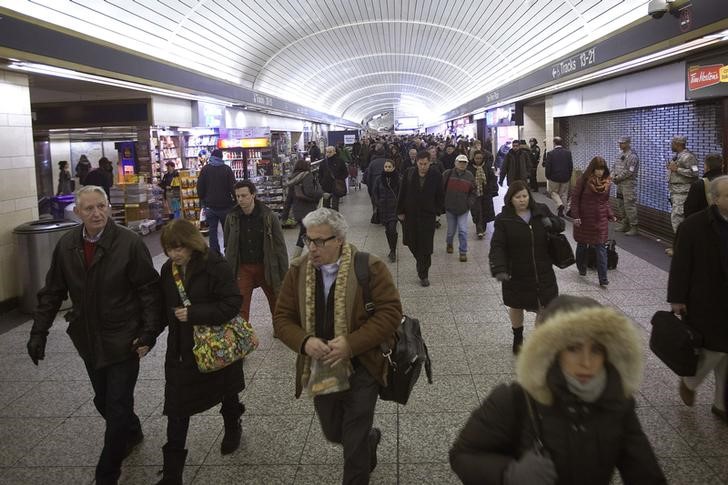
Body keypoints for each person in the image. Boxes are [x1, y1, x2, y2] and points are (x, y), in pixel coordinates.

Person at [450, 295, 666, 485]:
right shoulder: (514, 399)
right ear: (553, 351)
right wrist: (508, 475)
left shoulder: (616, 403)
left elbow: (644, 472)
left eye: (597, 349)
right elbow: (463, 455)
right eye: (573, 348)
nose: (586, 362)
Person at [27, 185, 161, 485]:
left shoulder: (128, 242)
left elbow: (149, 291)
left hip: (125, 338)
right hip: (88, 338)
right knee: (104, 400)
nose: (97, 212)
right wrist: (39, 332)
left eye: (101, 206)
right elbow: (52, 292)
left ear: (109, 207)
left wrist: (149, 333)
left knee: (115, 405)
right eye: (89, 208)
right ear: (78, 212)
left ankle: (107, 474)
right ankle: (132, 429)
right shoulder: (67, 246)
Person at [273, 208, 402, 485]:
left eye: (321, 241)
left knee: (353, 441)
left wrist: (351, 344)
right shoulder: (298, 271)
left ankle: (359, 453)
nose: (313, 248)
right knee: (334, 432)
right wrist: (305, 342)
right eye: (309, 240)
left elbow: (390, 313)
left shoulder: (368, 267)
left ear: (340, 239)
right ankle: (370, 439)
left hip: (364, 364)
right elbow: (282, 318)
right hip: (322, 368)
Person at [156, 219, 245, 484]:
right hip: (182, 351)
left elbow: (232, 303)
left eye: (180, 247)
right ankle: (173, 474)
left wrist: (195, 314)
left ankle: (232, 425)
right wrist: (147, 337)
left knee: (227, 391)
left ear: (193, 243)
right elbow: (163, 310)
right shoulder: (167, 271)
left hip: (215, 347)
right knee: (176, 408)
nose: (176, 254)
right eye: (170, 248)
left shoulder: (215, 265)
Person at [668, 175, 728, 423]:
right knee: (715, 350)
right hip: (705, 298)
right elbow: (681, 265)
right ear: (715, 199)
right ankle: (690, 381)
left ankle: (721, 404)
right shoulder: (693, 226)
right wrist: (677, 298)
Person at [489, 180, 564, 354]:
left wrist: (551, 223)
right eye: (518, 197)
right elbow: (497, 245)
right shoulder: (503, 219)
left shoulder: (541, 210)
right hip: (516, 271)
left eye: (524, 196)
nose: (522, 200)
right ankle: (518, 336)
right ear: (510, 199)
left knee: (544, 307)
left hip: (542, 269)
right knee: (516, 305)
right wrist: (499, 268)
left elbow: (560, 225)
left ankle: (537, 341)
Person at [223, 180, 289, 328]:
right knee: (241, 302)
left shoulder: (268, 216)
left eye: (244, 195)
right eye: (238, 196)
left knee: (275, 298)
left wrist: (284, 272)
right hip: (243, 266)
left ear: (253, 195)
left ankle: (280, 328)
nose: (240, 199)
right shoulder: (232, 217)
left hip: (266, 265)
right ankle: (242, 334)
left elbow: (280, 247)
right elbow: (228, 243)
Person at [397, 150, 445, 287]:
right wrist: (400, 210)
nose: (423, 166)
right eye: (420, 164)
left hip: (428, 215)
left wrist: (438, 211)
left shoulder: (435, 175)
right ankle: (420, 260)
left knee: (426, 245)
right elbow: (402, 191)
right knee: (411, 242)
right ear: (416, 162)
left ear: (430, 162)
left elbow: (440, 194)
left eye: (426, 164)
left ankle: (424, 274)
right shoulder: (409, 173)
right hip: (410, 214)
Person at [570, 156, 617, 287]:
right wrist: (576, 216)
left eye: (602, 169)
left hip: (600, 220)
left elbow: (605, 201)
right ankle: (581, 267)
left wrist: (611, 215)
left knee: (601, 247)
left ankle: (603, 278)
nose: (600, 172)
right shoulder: (583, 181)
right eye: (597, 169)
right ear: (592, 169)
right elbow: (575, 199)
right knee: (582, 245)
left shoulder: (607, 183)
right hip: (584, 219)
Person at [198, 148, 236, 254]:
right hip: (225, 205)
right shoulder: (226, 169)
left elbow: (200, 187)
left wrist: (203, 200)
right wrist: (236, 201)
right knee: (227, 230)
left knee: (212, 231)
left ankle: (215, 253)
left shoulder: (205, 169)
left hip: (210, 206)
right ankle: (228, 250)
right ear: (221, 158)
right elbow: (233, 187)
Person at [284, 159, 323, 258]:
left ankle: (300, 256)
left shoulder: (292, 178)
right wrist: (319, 193)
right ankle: (310, 256)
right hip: (308, 210)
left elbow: (289, 199)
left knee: (305, 233)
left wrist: (285, 214)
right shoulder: (307, 176)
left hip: (298, 211)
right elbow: (310, 192)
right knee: (308, 234)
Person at [443, 154, 475, 262]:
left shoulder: (470, 176)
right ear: (455, 163)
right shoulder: (447, 174)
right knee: (451, 231)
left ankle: (463, 252)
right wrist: (443, 203)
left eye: (464, 163)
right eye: (460, 162)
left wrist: (469, 203)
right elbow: (440, 189)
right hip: (450, 208)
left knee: (463, 230)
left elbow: (473, 192)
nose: (462, 164)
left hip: (463, 208)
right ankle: (449, 243)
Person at [667, 135, 699, 234]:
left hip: (683, 192)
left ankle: (680, 246)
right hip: (675, 191)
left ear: (678, 144)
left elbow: (695, 172)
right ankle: (679, 245)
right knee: (676, 218)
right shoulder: (677, 156)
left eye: (672, 143)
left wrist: (677, 169)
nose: (671, 145)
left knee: (677, 218)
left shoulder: (689, 157)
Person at [612, 136, 640, 236]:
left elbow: (629, 171)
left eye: (622, 143)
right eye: (619, 143)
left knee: (629, 205)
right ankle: (625, 224)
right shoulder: (620, 154)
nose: (620, 145)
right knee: (621, 204)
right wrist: (613, 176)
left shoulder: (633, 156)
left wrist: (618, 178)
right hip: (619, 184)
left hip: (628, 185)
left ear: (628, 143)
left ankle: (634, 226)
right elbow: (614, 166)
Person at [373, 159, 400, 262]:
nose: (387, 168)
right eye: (386, 167)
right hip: (383, 208)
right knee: (388, 230)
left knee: (392, 229)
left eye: (389, 167)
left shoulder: (398, 179)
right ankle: (391, 248)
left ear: (393, 167)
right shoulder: (379, 179)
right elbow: (375, 192)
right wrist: (378, 202)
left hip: (394, 208)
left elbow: (401, 192)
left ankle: (393, 251)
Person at [683, 153, 725, 219]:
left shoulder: (699, 184)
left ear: (706, 167)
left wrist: (677, 169)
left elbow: (689, 210)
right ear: (722, 166)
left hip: (705, 224)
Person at [467, 150, 496, 239]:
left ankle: (482, 228)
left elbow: (492, 178)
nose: (478, 160)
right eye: (476, 158)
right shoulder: (470, 168)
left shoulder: (487, 167)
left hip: (485, 192)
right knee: (477, 211)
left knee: (485, 210)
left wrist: (491, 187)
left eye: (480, 158)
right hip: (474, 193)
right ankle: (479, 228)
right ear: (473, 158)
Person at [544, 137, 574, 217]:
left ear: (554, 143)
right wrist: (569, 175)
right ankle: (562, 212)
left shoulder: (550, 153)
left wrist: (547, 176)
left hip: (554, 177)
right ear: (561, 143)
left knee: (553, 192)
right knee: (564, 194)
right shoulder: (568, 153)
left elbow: (548, 166)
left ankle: (560, 204)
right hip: (565, 177)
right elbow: (570, 165)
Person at [320, 145, 348, 211]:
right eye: (327, 152)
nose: (328, 153)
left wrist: (339, 179)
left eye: (330, 152)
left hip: (336, 187)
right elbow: (320, 174)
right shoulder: (323, 163)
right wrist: (322, 182)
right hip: (326, 187)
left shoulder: (340, 161)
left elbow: (345, 173)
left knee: (335, 206)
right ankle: (328, 220)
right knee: (326, 207)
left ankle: (334, 220)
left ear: (334, 152)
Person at [365, 143, 387, 223]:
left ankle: (377, 217)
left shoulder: (372, 163)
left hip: (374, 186)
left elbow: (368, 178)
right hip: (386, 186)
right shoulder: (387, 162)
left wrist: (370, 189)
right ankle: (385, 218)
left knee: (375, 202)